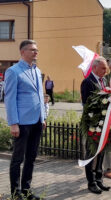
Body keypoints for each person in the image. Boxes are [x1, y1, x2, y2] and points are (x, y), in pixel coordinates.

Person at [4, 40, 46, 200]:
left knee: (31, 158)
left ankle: (26, 191)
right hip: (22, 122)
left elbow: (40, 96)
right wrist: (13, 123)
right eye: (32, 50)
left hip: (36, 122)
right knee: (17, 159)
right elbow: (10, 98)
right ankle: (16, 194)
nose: (36, 52)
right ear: (23, 52)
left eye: (37, 50)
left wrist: (43, 117)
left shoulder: (36, 70)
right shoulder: (13, 71)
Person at [80, 57, 111, 194]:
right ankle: (91, 182)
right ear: (95, 68)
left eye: (106, 68)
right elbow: (87, 103)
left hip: (104, 122)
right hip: (92, 123)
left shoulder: (104, 81)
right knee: (91, 153)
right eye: (103, 68)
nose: (106, 71)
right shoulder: (87, 82)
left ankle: (99, 179)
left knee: (102, 151)